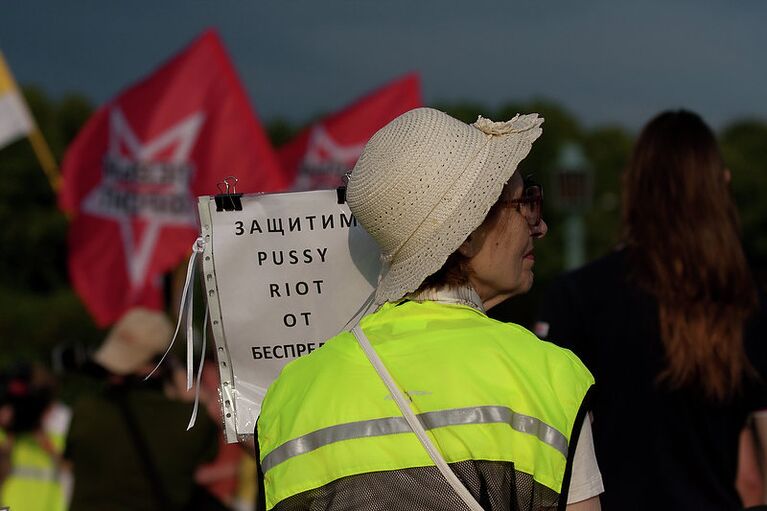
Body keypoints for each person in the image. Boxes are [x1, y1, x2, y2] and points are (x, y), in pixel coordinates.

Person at [256, 107, 603, 510]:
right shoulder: (551, 377)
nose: (539, 225)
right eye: (525, 202)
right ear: (468, 237)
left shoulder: (290, 397)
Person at [536, 110, 767, 510]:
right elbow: (751, 476)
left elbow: (558, 446)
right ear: (718, 187)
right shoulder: (743, 300)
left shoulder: (578, 294)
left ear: (634, 187)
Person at [64, 307, 220, 511]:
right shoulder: (190, 423)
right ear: (163, 363)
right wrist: (184, 379)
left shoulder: (85, 411)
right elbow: (213, 419)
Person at [0, 364, 68, 511]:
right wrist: (10, 432)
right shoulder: (4, 433)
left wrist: (43, 439)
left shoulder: (56, 436)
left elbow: (67, 465)